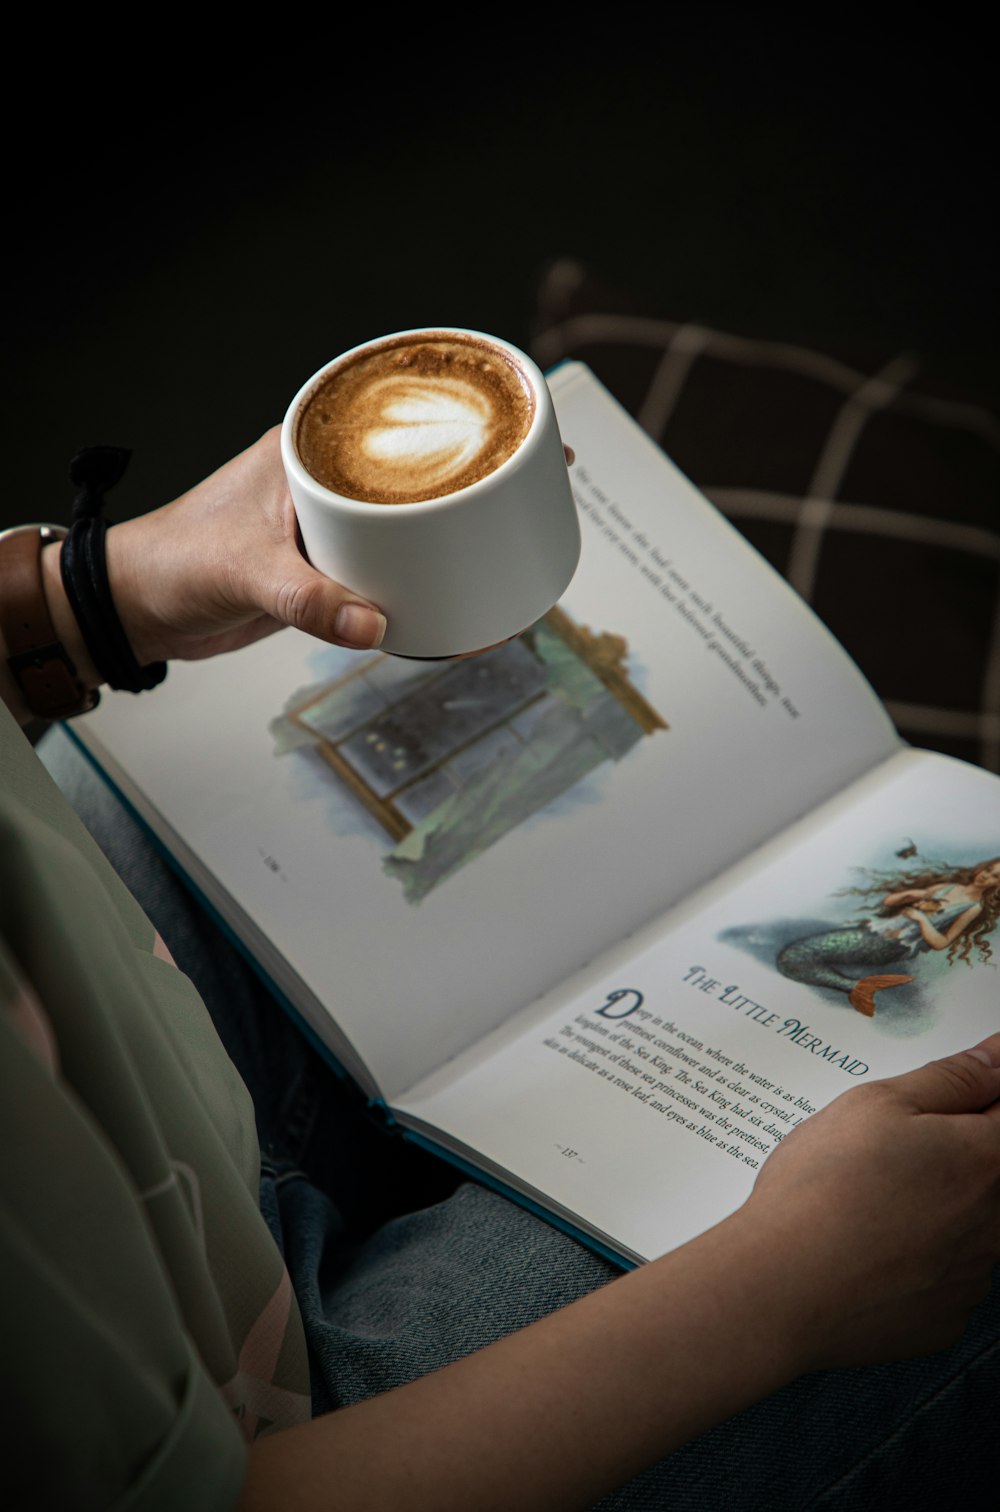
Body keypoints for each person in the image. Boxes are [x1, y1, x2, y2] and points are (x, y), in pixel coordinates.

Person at [3, 427, 1000, 1512]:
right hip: (256, 1432)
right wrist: (787, 1291)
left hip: (92, 997)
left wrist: (79, 600)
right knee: (950, 1191)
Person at [777, 858, 1000, 1017]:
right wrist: (907, 896)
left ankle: (856, 987)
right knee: (794, 956)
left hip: (889, 944)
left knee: (794, 956)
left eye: (994, 876)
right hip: (875, 931)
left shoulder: (973, 908)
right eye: (988, 870)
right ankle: (856, 987)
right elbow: (890, 902)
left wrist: (920, 919)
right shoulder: (947, 887)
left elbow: (941, 943)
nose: (985, 876)